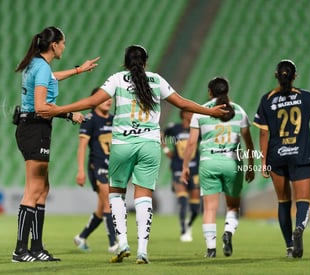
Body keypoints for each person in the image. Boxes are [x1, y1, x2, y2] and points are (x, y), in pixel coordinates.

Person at [37, 45, 229, 264]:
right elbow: (182, 102)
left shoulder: (117, 79)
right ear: (146, 62)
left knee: (116, 193)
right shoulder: (156, 80)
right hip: (149, 145)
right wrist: (210, 111)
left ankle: (123, 243)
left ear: (125, 62)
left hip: (122, 144)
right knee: (144, 197)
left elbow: (92, 102)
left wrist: (58, 110)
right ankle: (143, 251)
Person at [12, 26, 99, 262]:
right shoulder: (41, 68)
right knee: (33, 190)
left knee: (43, 189)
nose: (64, 47)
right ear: (54, 45)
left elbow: (52, 78)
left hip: (33, 128)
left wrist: (79, 70)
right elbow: (41, 107)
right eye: (63, 43)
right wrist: (70, 113)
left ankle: (37, 247)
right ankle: (20, 250)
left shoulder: (37, 64)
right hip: (35, 128)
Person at [253, 60, 310, 259]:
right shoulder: (306, 97)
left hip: (277, 156)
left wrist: (263, 162)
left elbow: (263, 134)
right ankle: (299, 227)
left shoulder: (267, 99)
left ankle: (289, 246)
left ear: (277, 75)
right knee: (303, 201)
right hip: (300, 155)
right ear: (295, 76)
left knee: (283, 202)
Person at [180, 77, 255, 258]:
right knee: (233, 207)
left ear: (209, 92)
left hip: (209, 162)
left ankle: (211, 249)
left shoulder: (201, 112)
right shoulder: (239, 111)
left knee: (210, 208)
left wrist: (185, 166)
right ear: (227, 91)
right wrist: (251, 167)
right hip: (232, 163)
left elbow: (191, 144)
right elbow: (249, 144)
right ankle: (228, 232)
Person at [73, 88, 118, 253]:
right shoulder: (90, 119)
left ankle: (81, 236)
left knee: (102, 209)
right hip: (97, 167)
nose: (108, 100)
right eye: (104, 98)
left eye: (109, 98)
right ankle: (113, 244)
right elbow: (82, 147)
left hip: (113, 168)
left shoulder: (115, 120)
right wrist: (80, 171)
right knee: (109, 203)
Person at [162, 110, 201, 242]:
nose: (191, 115)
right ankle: (183, 230)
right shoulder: (175, 128)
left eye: (192, 113)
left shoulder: (197, 129)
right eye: (188, 112)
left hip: (194, 169)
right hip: (178, 168)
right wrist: (166, 150)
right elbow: (161, 135)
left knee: (196, 208)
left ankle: (189, 224)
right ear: (183, 114)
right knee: (183, 200)